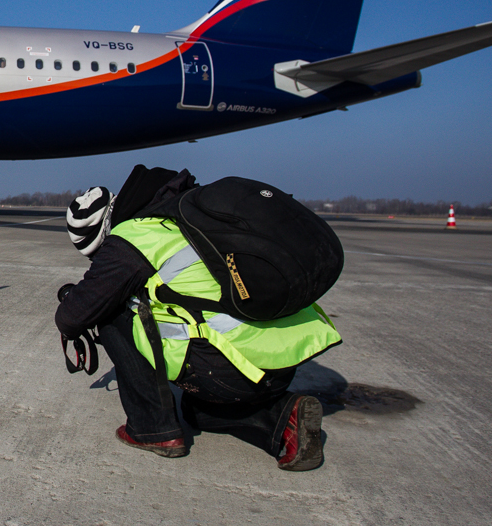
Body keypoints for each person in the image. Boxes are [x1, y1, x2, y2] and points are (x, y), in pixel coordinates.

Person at [55, 171, 341, 471]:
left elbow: (74, 316)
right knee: (193, 410)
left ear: (103, 234)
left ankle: (152, 429)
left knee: (112, 315)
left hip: (234, 372)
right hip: (279, 364)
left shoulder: (133, 237)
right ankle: (284, 416)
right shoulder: (177, 214)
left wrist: (85, 295)